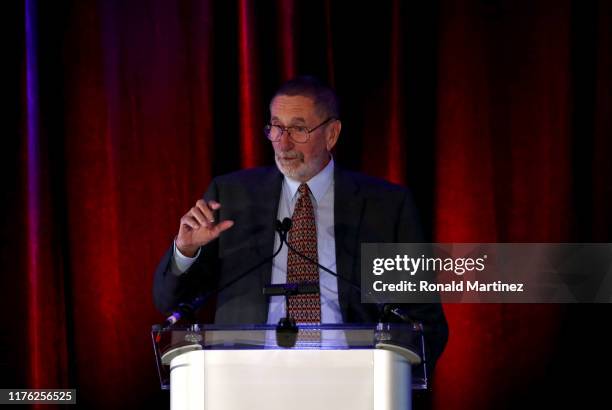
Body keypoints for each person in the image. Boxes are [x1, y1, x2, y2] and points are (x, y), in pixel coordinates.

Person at [153, 76, 448, 377]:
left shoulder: (385, 207)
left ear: (332, 134)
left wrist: (391, 381)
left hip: (353, 380)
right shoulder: (231, 197)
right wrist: (185, 250)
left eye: (298, 129)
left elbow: (424, 321)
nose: (283, 142)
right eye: (276, 127)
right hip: (247, 379)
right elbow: (170, 302)